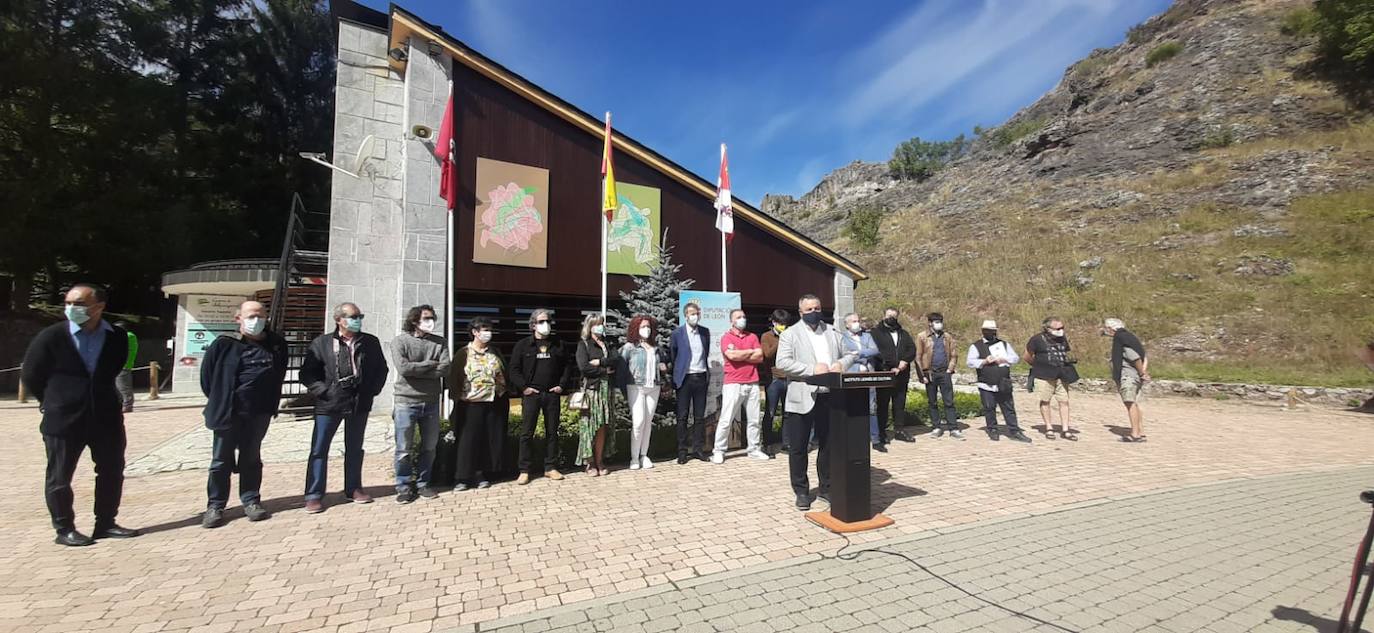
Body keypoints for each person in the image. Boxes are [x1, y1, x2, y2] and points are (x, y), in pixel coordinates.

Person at [22, 284, 140, 546]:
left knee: (111, 470)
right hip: (63, 418)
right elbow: (31, 373)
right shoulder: (52, 336)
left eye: (79, 304)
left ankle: (106, 522)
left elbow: (113, 369)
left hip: (105, 416)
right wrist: (52, 400)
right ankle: (64, 529)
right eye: (69, 303)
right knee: (60, 475)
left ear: (99, 307)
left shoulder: (116, 336)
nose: (72, 309)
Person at [198, 300, 289, 528]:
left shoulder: (276, 344)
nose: (255, 320)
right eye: (250, 316)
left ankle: (251, 500)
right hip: (228, 412)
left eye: (259, 315)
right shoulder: (224, 345)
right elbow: (207, 379)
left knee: (251, 458)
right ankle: (215, 505)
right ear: (238, 318)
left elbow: (279, 373)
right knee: (220, 461)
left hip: (258, 413)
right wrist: (220, 400)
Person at [299, 302, 388, 513]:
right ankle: (314, 495)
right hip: (329, 403)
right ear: (339, 319)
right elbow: (308, 373)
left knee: (355, 448)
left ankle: (354, 488)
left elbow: (381, 369)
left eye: (360, 316)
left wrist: (371, 391)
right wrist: (323, 390)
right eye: (353, 316)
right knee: (319, 450)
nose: (357, 320)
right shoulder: (322, 343)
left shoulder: (370, 342)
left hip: (359, 403)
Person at [775, 294, 858, 510]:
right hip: (802, 397)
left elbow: (851, 353)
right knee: (799, 448)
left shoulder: (831, 331)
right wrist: (811, 369)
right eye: (809, 309)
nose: (814, 312)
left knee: (828, 445)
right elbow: (782, 362)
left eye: (817, 308)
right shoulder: (791, 334)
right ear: (801, 312)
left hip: (829, 396)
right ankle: (801, 491)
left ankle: (827, 487)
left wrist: (841, 363)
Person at [391, 305, 451, 503]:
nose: (430, 321)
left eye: (432, 317)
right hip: (405, 402)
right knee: (403, 447)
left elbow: (444, 368)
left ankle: (424, 483)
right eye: (426, 318)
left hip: (431, 402)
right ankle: (403, 485)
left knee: (430, 446)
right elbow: (404, 368)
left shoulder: (440, 342)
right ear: (415, 320)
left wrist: (419, 369)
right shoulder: (400, 341)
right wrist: (428, 365)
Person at [509, 309, 574, 485]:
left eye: (547, 321)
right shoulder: (523, 345)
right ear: (533, 325)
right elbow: (513, 369)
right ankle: (524, 470)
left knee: (552, 432)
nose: (546, 324)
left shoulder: (558, 344)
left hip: (552, 394)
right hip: (532, 395)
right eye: (541, 321)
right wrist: (524, 388)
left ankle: (550, 467)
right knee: (526, 433)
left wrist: (561, 385)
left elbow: (568, 366)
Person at [450, 317, 509, 490]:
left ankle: (480, 474)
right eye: (484, 329)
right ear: (474, 332)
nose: (487, 332)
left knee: (486, 440)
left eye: (489, 329)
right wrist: (457, 397)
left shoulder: (494, 352)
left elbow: (503, 373)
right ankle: (461, 477)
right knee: (467, 442)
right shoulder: (463, 353)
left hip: (492, 402)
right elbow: (454, 377)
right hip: (470, 403)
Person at [714, 309, 768, 463]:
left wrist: (742, 353)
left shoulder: (752, 336)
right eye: (738, 317)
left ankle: (754, 449)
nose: (742, 319)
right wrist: (750, 352)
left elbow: (759, 356)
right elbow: (731, 356)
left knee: (754, 419)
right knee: (726, 419)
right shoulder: (726, 338)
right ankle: (719, 450)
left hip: (752, 382)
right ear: (732, 321)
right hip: (733, 383)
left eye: (744, 316)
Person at [966, 320, 1030, 443]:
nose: (990, 333)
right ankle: (992, 429)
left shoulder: (1004, 344)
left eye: (992, 331)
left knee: (1008, 407)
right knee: (989, 407)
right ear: (983, 331)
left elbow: (1015, 358)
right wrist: (984, 361)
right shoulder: (976, 346)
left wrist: (1004, 359)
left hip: (1003, 381)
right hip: (986, 383)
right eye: (987, 331)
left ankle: (1014, 430)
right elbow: (970, 362)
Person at [619, 315, 667, 470]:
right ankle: (633, 458)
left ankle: (644, 455)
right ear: (636, 329)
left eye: (648, 327)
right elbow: (621, 366)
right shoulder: (630, 347)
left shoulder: (655, 347)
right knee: (638, 422)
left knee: (648, 423)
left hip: (653, 386)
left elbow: (664, 362)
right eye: (642, 327)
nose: (646, 329)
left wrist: (664, 366)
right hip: (636, 387)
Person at [575, 314, 619, 475]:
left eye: (602, 323)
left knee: (602, 426)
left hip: (607, 391)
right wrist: (604, 371)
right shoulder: (584, 345)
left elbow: (616, 359)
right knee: (589, 426)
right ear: (590, 326)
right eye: (597, 324)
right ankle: (589, 462)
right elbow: (584, 367)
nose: (601, 326)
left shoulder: (608, 343)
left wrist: (601, 362)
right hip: (592, 391)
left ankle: (600, 460)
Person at [668, 302, 710, 464]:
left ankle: (698, 449)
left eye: (697, 313)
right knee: (682, 416)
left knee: (700, 417)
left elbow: (705, 353)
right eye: (692, 313)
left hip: (701, 377)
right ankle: (682, 451)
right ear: (686, 315)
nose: (695, 316)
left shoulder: (705, 332)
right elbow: (674, 354)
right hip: (684, 379)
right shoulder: (677, 333)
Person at [871, 307, 917, 446]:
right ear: (884, 315)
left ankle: (899, 430)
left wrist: (904, 362)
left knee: (899, 404)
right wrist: (892, 365)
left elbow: (912, 349)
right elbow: (876, 352)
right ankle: (882, 432)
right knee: (882, 404)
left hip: (901, 375)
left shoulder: (903, 333)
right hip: (884, 373)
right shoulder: (875, 333)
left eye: (894, 316)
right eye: (889, 315)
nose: (891, 317)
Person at [838, 313, 883, 451]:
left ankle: (875, 439)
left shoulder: (867, 336)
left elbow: (874, 350)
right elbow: (843, 355)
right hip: (852, 376)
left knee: (871, 407)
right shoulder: (841, 337)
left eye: (858, 321)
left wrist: (858, 353)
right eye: (854, 321)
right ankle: (851, 436)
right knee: (851, 406)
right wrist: (858, 355)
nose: (857, 323)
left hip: (868, 375)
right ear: (847, 324)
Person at [1026, 317, 1076, 441]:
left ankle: (1065, 429)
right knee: (1045, 401)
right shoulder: (1036, 339)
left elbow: (1065, 352)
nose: (1060, 330)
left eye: (1062, 328)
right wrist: (1039, 365)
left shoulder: (1062, 338)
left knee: (1064, 401)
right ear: (1048, 328)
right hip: (1044, 375)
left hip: (1061, 374)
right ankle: (1049, 427)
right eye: (1057, 328)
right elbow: (1027, 356)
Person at [1103, 318, 1150, 442]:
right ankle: (1140, 431)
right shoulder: (1130, 337)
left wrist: (1142, 372)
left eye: (1106, 328)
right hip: (1133, 376)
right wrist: (1143, 372)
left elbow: (1135, 358)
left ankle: (1135, 434)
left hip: (1128, 376)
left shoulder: (1121, 338)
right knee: (1134, 403)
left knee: (1130, 403)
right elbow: (1144, 356)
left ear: (1110, 329)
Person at [916, 313, 962, 440]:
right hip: (930, 372)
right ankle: (936, 426)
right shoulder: (922, 336)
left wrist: (949, 369)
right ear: (930, 323)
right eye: (936, 321)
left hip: (944, 372)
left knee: (949, 401)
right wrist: (922, 374)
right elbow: (918, 356)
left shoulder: (947, 337)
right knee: (932, 401)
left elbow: (954, 355)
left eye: (940, 321)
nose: (939, 324)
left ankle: (953, 427)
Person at [759, 309, 790, 454]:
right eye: (780, 323)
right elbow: (767, 354)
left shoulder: (790, 335)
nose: (783, 326)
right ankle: (767, 444)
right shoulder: (766, 336)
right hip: (773, 380)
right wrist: (780, 339)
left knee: (787, 412)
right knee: (770, 412)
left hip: (788, 379)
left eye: (785, 324)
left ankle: (786, 443)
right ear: (774, 323)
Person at [113, 320, 137, 413]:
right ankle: (123, 403)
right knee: (119, 386)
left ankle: (127, 405)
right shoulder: (129, 335)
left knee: (124, 386)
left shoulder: (128, 335)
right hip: (121, 364)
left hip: (124, 364)